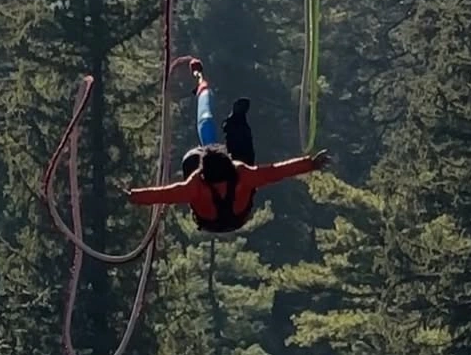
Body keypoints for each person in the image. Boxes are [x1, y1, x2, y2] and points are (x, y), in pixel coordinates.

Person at [127, 60, 329, 233]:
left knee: (193, 155)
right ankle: (235, 121)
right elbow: (277, 171)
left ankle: (216, 103)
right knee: (242, 155)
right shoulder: (241, 174)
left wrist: (132, 196)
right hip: (237, 216)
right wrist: (310, 164)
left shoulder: (195, 185)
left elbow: (161, 194)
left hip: (209, 221)